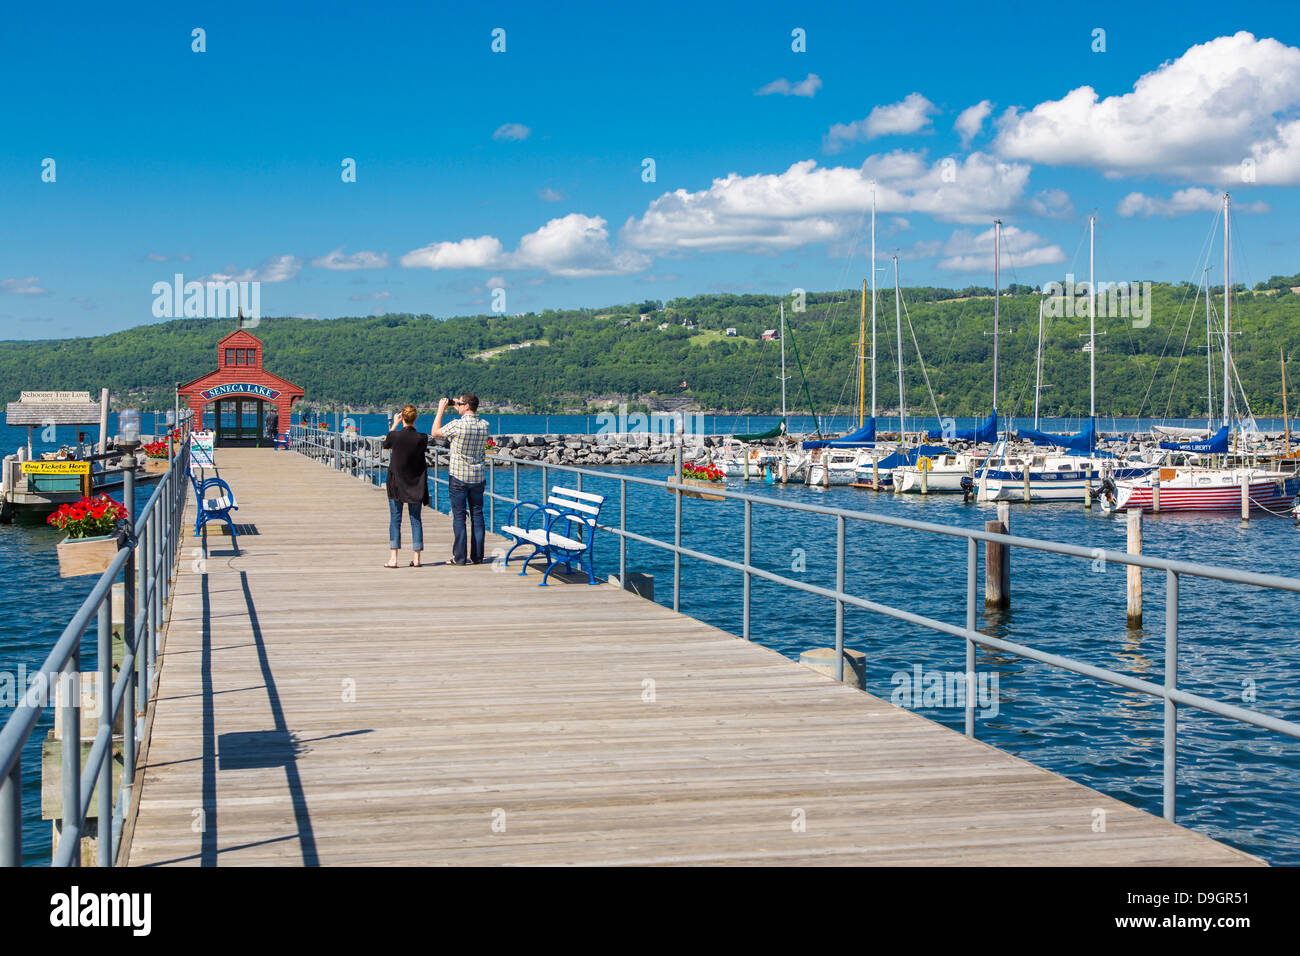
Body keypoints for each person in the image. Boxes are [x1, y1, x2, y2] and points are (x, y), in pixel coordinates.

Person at [432, 393, 489, 564]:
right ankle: (478, 556)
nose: (456, 405)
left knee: (459, 517)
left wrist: (441, 410)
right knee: (477, 515)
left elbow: (435, 432)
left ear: (466, 406)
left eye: (459, 403)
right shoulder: (485, 425)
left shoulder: (457, 425)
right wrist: (457, 405)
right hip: (478, 477)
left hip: (458, 476)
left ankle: (460, 557)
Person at [382, 404, 429, 568]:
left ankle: (394, 558)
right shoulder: (422, 438)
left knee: (395, 519)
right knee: (416, 520)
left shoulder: (395, 436)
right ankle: (417, 558)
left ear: (402, 417)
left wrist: (394, 424)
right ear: (416, 418)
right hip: (415, 483)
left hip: (396, 483)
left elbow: (386, 443)